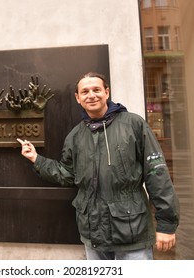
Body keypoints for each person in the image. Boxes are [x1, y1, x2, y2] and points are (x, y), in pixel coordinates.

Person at [17, 72, 179, 260]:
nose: (91, 95)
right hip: (93, 236)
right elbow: (66, 174)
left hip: (132, 234)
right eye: (85, 91)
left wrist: (166, 224)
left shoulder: (133, 125)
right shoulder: (75, 136)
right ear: (78, 98)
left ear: (106, 92)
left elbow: (156, 174)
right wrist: (36, 159)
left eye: (96, 89)